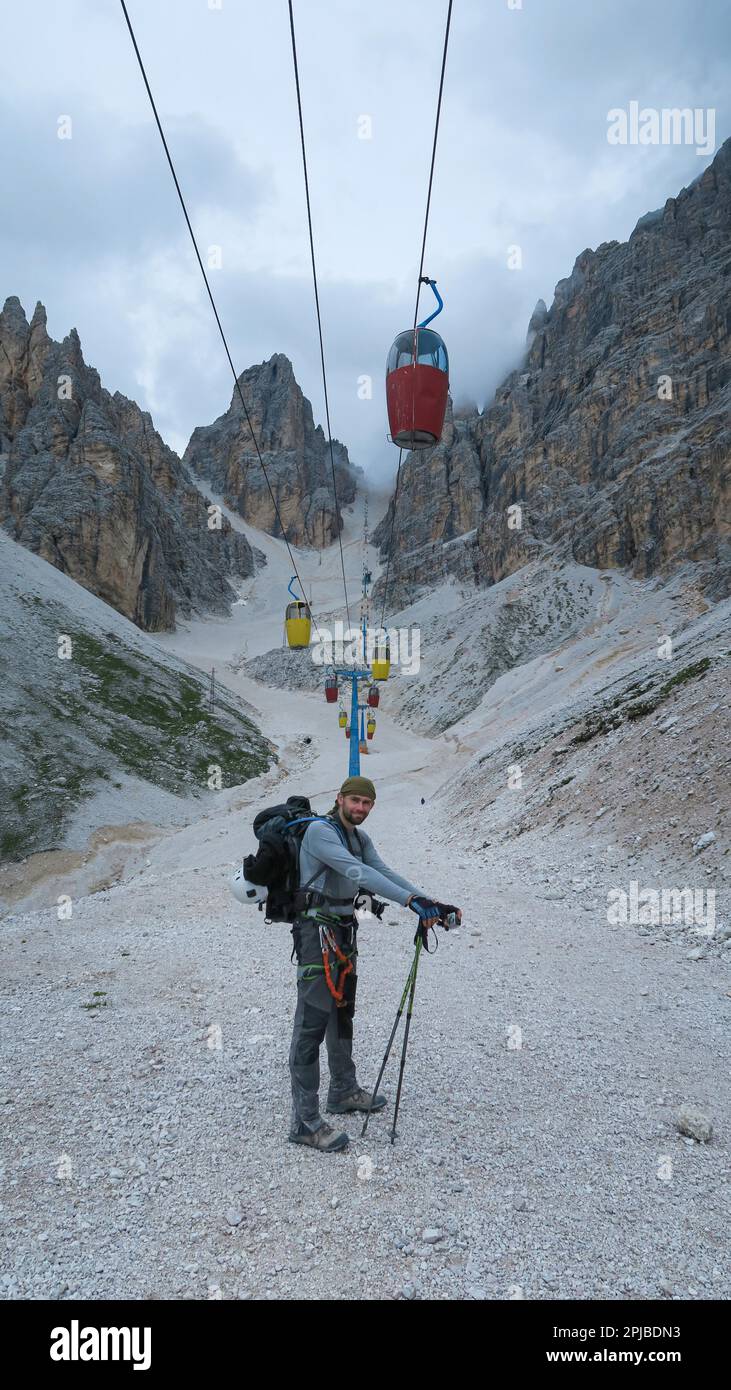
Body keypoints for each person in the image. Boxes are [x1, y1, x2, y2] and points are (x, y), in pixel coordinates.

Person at [288, 775, 461, 1153]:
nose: (361, 808)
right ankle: (303, 1122)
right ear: (339, 799)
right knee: (312, 1020)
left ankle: (343, 1091)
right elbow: (357, 873)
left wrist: (428, 901)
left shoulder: (359, 838)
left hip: (344, 931)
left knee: (341, 1013)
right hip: (315, 933)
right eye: (355, 801)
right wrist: (409, 903)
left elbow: (382, 871)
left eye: (367, 803)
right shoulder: (320, 832)